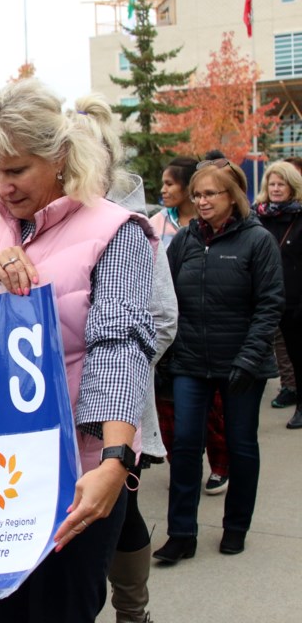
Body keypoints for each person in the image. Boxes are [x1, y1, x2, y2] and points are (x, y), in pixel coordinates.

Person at [0, 79, 157, 623]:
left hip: (78, 465)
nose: (3, 187)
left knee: (62, 610)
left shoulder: (115, 230)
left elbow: (119, 346)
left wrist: (115, 462)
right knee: (10, 609)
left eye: (17, 170)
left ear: (59, 158)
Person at [70, 97, 178, 623]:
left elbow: (160, 319)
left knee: (122, 502)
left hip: (119, 405)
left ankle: (133, 610)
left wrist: (118, 373)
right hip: (61, 404)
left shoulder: (132, 227)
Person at [153, 158, 283, 563]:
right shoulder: (185, 242)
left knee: (242, 446)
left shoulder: (257, 241)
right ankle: (181, 534)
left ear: (233, 197)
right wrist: (168, 357)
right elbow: (167, 299)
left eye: (210, 193)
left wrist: (247, 359)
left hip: (241, 366)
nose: (201, 201)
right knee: (187, 446)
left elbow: (269, 305)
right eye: (197, 195)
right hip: (192, 363)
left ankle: (236, 527)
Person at [151, 156, 231, 496]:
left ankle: (221, 463)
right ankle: (183, 463)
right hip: (171, 328)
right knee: (171, 409)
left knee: (211, 411)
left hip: (204, 329)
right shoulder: (154, 223)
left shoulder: (206, 227)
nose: (164, 190)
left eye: (171, 184)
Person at [255, 161, 302, 428]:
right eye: (271, 184)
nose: (275, 189)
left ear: (292, 186)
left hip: (294, 299)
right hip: (264, 297)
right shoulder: (258, 216)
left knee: (297, 355)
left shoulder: (299, 217)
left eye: (280, 184)